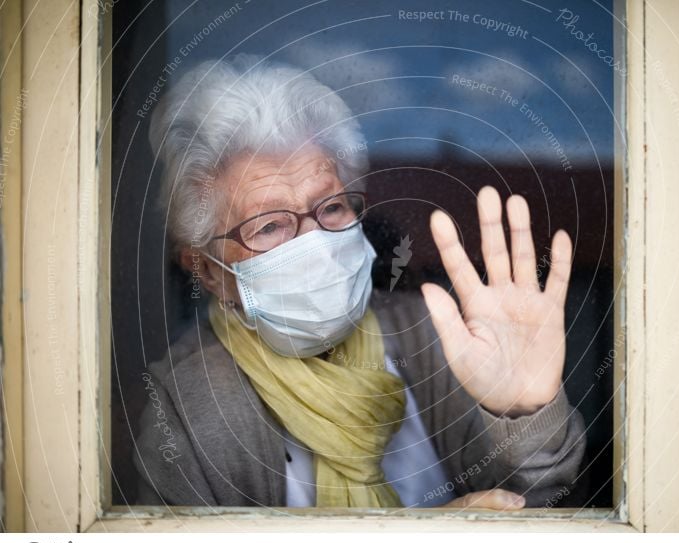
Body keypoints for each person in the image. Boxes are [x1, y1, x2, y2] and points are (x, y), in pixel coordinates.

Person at [133, 54, 587, 510]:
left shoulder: (431, 335)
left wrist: (524, 415)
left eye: (331, 208)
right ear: (209, 271)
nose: (317, 244)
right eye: (269, 226)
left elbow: (538, 509)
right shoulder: (187, 410)